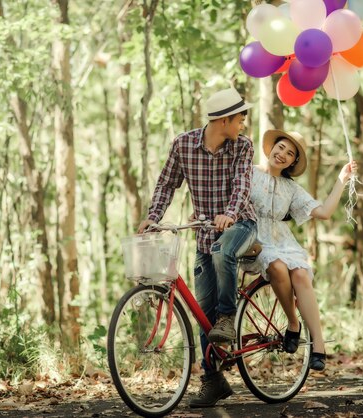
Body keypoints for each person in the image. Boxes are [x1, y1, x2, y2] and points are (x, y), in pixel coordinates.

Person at [137, 87, 258, 408]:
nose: (243, 124)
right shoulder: (184, 145)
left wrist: (230, 214)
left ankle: (228, 319)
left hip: (241, 224)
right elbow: (166, 183)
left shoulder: (243, 147)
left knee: (223, 253)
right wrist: (153, 218)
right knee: (203, 313)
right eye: (240, 119)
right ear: (223, 121)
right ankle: (213, 380)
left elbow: (243, 184)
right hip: (204, 234)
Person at [249, 129, 357, 371]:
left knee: (299, 273)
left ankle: (319, 344)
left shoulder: (291, 188)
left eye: (290, 153)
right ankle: (293, 323)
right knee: (276, 264)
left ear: (293, 161)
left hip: (283, 241)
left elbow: (325, 212)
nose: (282, 154)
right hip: (254, 240)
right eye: (280, 147)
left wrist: (342, 178)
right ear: (272, 147)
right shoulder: (249, 173)